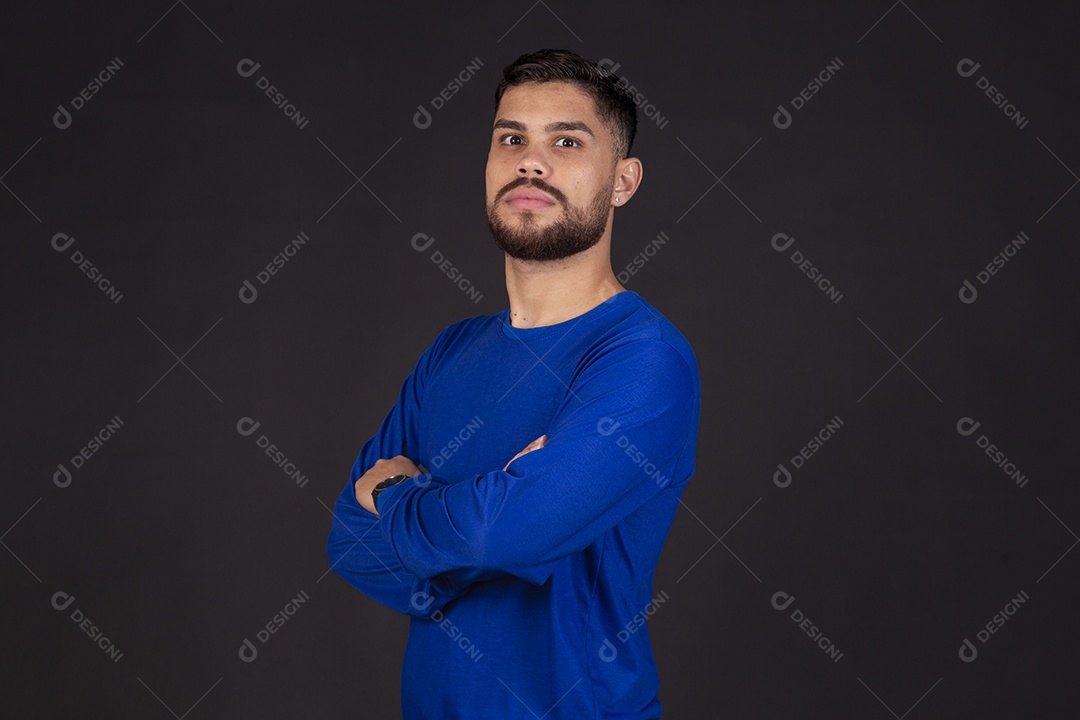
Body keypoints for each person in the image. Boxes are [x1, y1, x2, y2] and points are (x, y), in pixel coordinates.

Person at [327, 48, 701, 720]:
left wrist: (393, 492)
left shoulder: (644, 358)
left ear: (623, 181)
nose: (531, 160)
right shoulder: (452, 350)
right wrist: (494, 517)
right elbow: (352, 547)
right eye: (511, 139)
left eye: (566, 140)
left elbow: (501, 535)